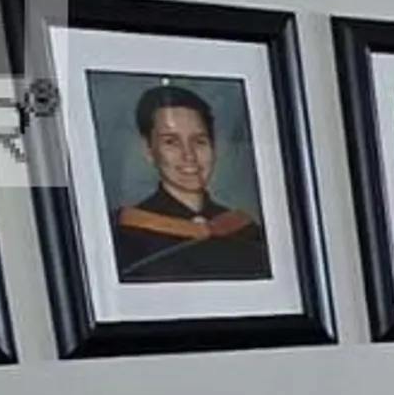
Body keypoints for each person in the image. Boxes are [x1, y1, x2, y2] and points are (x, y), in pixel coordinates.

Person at [107, 81, 271, 282]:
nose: (189, 155)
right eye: (171, 142)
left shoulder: (246, 231)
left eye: (199, 141)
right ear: (149, 150)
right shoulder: (126, 237)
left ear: (213, 147)